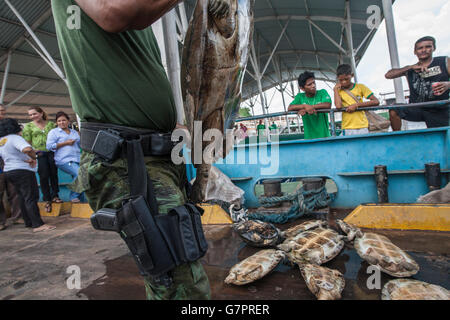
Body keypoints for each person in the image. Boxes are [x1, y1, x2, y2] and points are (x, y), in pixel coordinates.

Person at [51, 0, 225, 300]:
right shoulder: (123, 8)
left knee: (178, 270)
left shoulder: (143, 18)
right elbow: (113, 12)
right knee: (180, 283)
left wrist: (178, 129)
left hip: (154, 154)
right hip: (127, 158)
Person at [0, 118, 56, 233]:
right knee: (31, 197)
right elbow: (26, 148)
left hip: (9, 171)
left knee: (22, 196)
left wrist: (26, 157)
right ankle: (38, 224)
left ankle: (28, 221)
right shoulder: (15, 138)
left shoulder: (2, 140)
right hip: (22, 171)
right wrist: (33, 157)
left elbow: (12, 154)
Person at [385, 36, 450, 130]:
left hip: (439, 109)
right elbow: (388, 75)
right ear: (415, 52)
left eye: (428, 47)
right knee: (394, 110)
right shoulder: (411, 69)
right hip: (416, 107)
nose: (424, 50)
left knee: (438, 138)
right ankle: (397, 138)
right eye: (420, 48)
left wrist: (448, 85)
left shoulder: (444, 61)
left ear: (433, 48)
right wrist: (410, 67)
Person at [22, 107, 61, 212]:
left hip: (52, 152)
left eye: (34, 114)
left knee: (54, 173)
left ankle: (55, 195)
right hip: (39, 154)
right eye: (30, 115)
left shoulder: (51, 125)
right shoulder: (28, 127)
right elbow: (27, 142)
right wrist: (31, 155)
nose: (32, 116)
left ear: (41, 113)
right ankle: (47, 198)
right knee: (43, 175)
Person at [46, 112, 83, 203]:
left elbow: (80, 144)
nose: (61, 122)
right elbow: (49, 146)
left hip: (77, 158)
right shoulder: (54, 132)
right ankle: (73, 196)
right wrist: (65, 143)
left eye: (64, 120)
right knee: (80, 174)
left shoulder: (74, 132)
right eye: (59, 121)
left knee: (80, 177)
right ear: (56, 122)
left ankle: (81, 200)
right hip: (64, 160)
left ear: (68, 121)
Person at [334, 64, 380, 136]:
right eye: (341, 80)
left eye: (346, 79)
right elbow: (338, 106)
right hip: (347, 126)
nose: (344, 82)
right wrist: (335, 90)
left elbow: (376, 101)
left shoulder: (360, 87)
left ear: (352, 75)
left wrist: (356, 105)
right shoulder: (338, 90)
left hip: (362, 126)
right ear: (337, 78)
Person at [288, 71, 332, 139]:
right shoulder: (300, 97)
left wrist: (309, 108)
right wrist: (304, 106)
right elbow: (290, 108)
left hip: (325, 137)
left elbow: (327, 105)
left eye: (314, 83)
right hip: (309, 139)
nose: (313, 86)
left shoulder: (322, 92)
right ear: (302, 88)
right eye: (309, 84)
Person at [0, 105, 22, 229]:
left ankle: (17, 217)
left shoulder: (7, 126)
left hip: (11, 162)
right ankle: (0, 221)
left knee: (14, 191)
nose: (2, 113)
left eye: (3, 111)